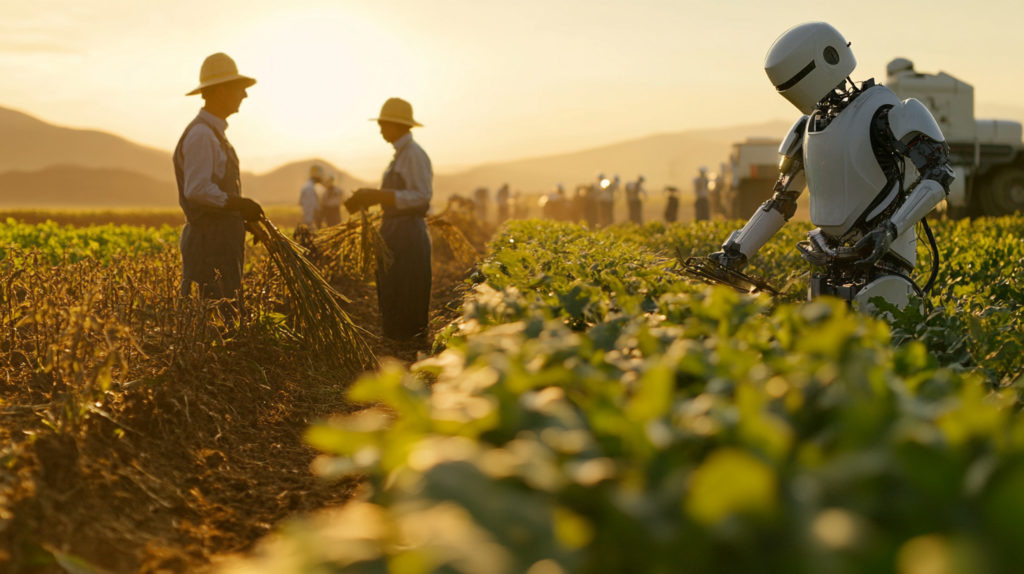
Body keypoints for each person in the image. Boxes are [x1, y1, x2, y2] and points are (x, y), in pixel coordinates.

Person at [708, 22, 954, 312]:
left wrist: (890, 230)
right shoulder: (809, 127)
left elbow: (939, 174)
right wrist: (737, 251)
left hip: (886, 259)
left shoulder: (886, 115)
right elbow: (782, 200)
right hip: (828, 258)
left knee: (878, 324)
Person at [174, 52, 263, 301]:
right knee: (217, 320)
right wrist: (238, 204)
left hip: (218, 243)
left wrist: (241, 217)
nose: (244, 95)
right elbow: (197, 189)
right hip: (208, 247)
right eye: (239, 89)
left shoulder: (214, 133)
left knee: (226, 312)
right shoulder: (202, 135)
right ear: (222, 91)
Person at [345, 98, 433, 341]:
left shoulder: (413, 155)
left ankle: (408, 344)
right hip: (394, 229)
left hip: (408, 230)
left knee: (408, 287)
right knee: (392, 285)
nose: (381, 129)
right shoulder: (399, 156)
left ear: (398, 125)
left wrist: (377, 195)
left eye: (384, 124)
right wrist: (369, 198)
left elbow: (421, 197)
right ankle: (395, 338)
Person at [300, 164, 323, 229]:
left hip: (309, 217)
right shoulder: (309, 189)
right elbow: (310, 205)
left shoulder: (309, 187)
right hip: (309, 218)